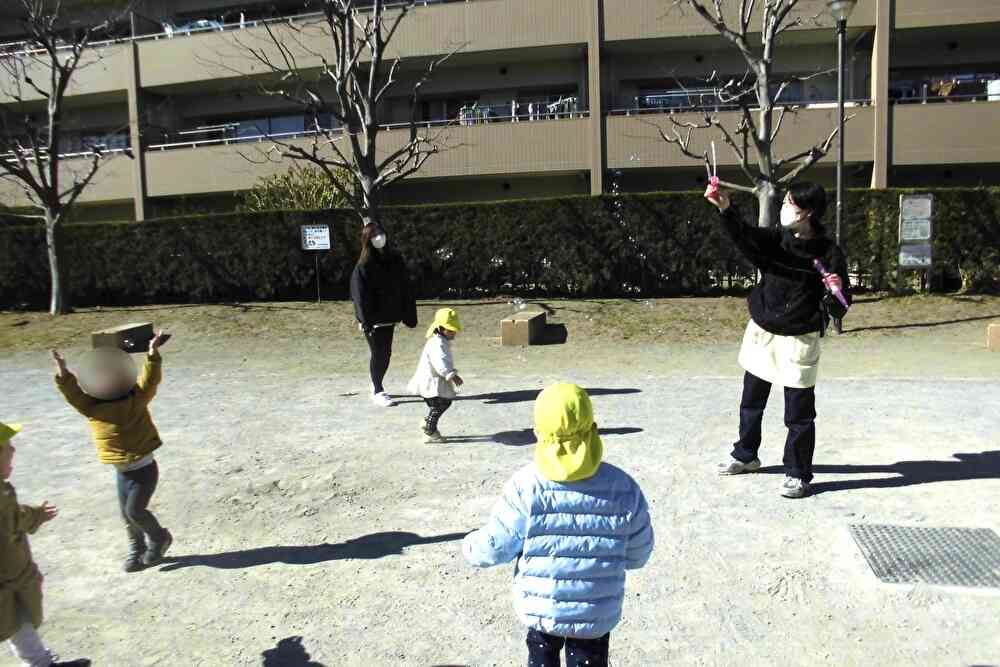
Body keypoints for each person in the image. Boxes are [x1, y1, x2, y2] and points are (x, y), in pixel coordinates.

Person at [463, 384, 654, 667]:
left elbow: (497, 546)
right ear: (594, 428)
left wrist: (470, 546)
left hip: (543, 608)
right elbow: (638, 555)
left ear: (538, 432)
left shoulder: (525, 485)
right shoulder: (623, 486)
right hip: (595, 612)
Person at [705, 181, 851, 498]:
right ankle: (746, 455)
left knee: (798, 414)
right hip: (763, 331)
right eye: (785, 200)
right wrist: (725, 208)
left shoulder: (828, 253)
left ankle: (798, 473)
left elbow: (842, 306)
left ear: (808, 212)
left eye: (790, 203)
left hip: (800, 337)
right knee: (751, 403)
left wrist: (834, 289)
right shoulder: (777, 239)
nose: (785, 207)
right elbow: (745, 237)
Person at [52, 331, 173, 571]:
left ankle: (159, 538)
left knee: (135, 511)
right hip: (122, 472)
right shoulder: (91, 407)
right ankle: (137, 549)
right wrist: (63, 371)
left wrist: (152, 354)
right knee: (127, 517)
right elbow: (72, 393)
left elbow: (150, 380)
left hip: (144, 469)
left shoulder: (136, 399)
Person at [0, 422, 90, 667]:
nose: (13, 451)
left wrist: (36, 515)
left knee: (18, 621)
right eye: (7, 448)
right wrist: (25, 577)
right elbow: (12, 524)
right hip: (8, 579)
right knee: (14, 620)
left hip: (10, 584)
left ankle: (41, 663)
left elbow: (16, 517)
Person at [350, 223, 418, 408]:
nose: (379, 237)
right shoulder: (363, 266)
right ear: (367, 239)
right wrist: (365, 321)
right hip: (372, 320)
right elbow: (359, 295)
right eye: (374, 235)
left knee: (385, 354)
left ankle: (375, 382)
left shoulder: (394, 260)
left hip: (389, 317)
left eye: (381, 233)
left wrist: (408, 313)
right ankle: (378, 389)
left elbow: (405, 286)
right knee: (378, 353)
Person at [407, 308, 464, 443]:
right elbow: (441, 363)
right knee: (441, 404)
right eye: (451, 330)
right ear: (441, 329)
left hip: (432, 381)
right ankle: (430, 431)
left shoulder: (440, 340)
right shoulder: (437, 344)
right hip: (431, 382)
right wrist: (453, 375)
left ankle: (428, 423)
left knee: (439, 404)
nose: (454, 332)